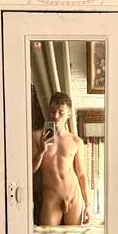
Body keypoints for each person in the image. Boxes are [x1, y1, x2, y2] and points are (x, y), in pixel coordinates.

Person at [32, 92, 91, 225]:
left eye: (61, 112)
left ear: (68, 115)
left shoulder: (76, 141)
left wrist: (88, 205)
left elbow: (81, 175)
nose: (56, 116)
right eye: (52, 111)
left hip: (73, 195)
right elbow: (30, 171)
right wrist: (41, 151)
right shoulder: (36, 137)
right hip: (51, 197)